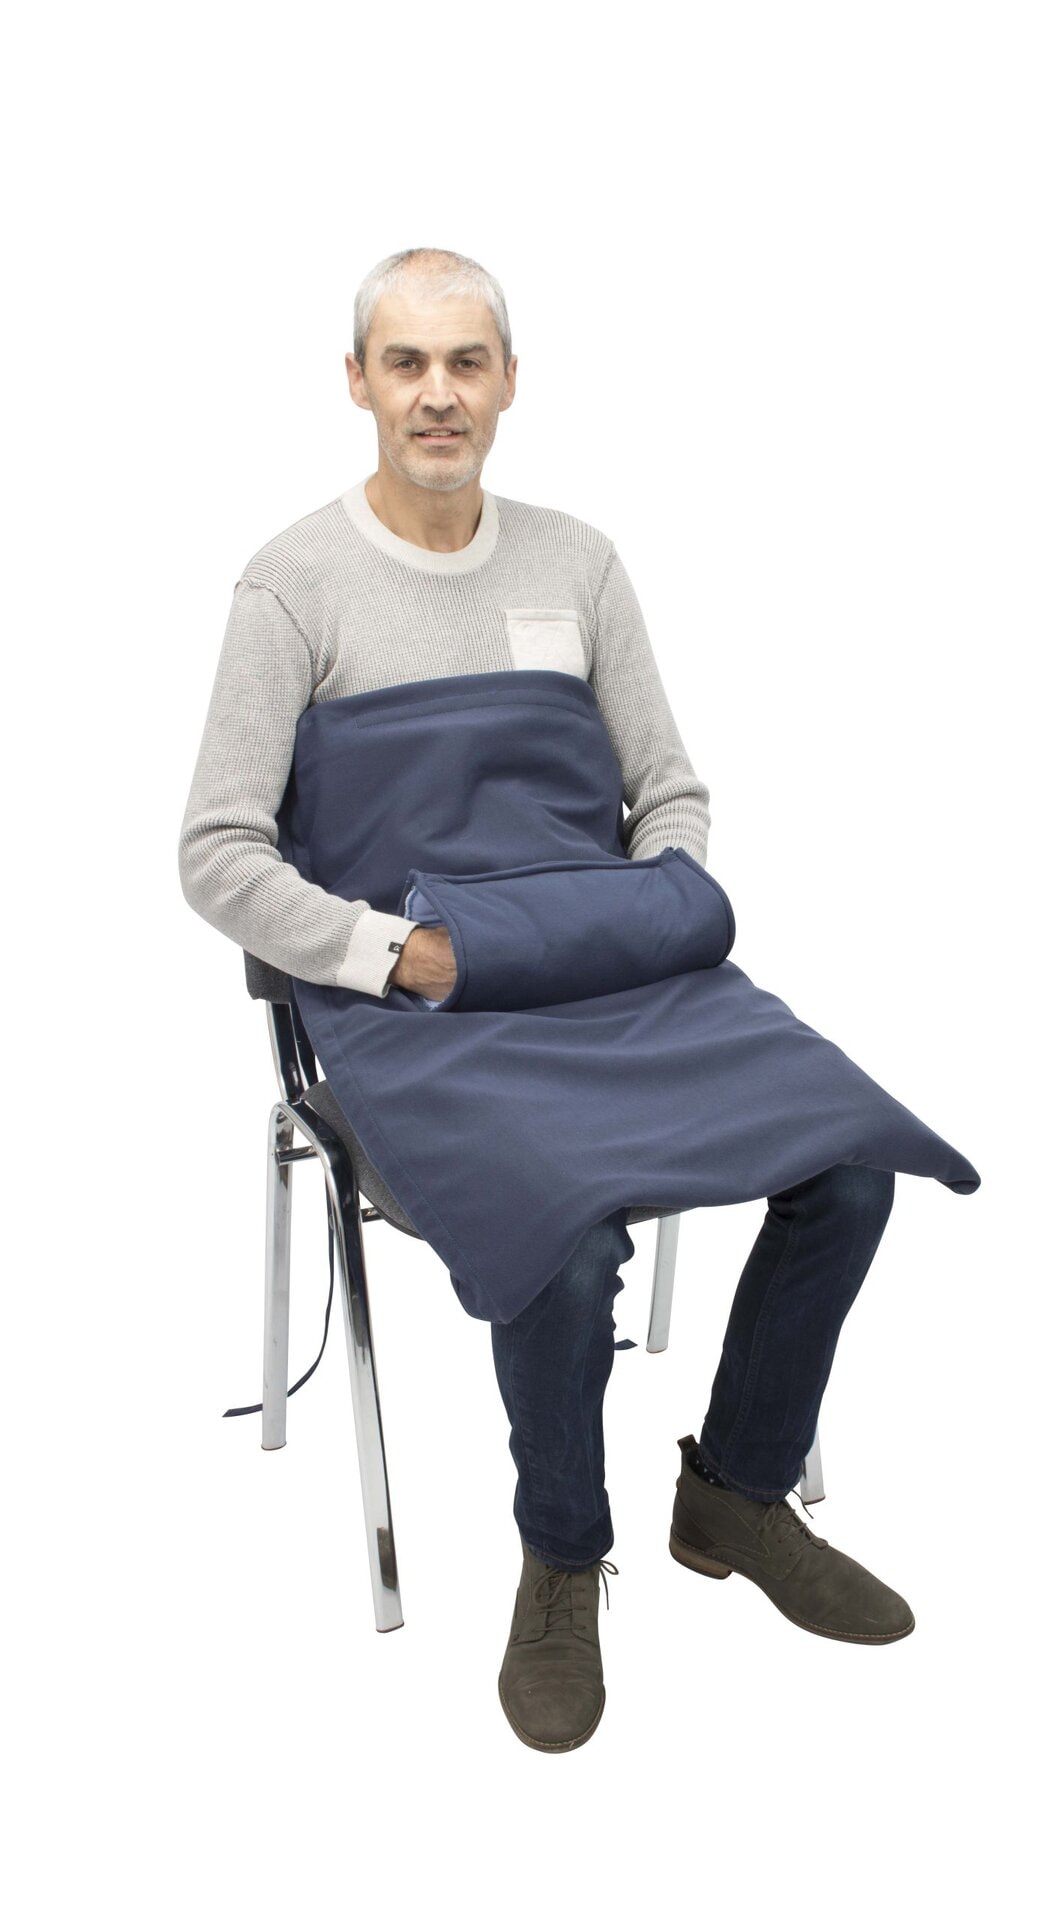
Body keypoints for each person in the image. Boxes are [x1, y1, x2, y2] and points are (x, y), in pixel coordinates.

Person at [178, 246, 915, 1756]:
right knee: (567, 1246)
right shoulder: (292, 584)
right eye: (406, 362)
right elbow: (219, 852)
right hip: (420, 1010)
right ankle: (564, 1556)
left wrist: (648, 906)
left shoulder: (578, 563)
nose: (437, 393)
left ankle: (735, 1495)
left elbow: (670, 789)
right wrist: (391, 954)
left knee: (850, 1164)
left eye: (467, 362)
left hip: (609, 966)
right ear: (358, 382)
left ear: (510, 380)